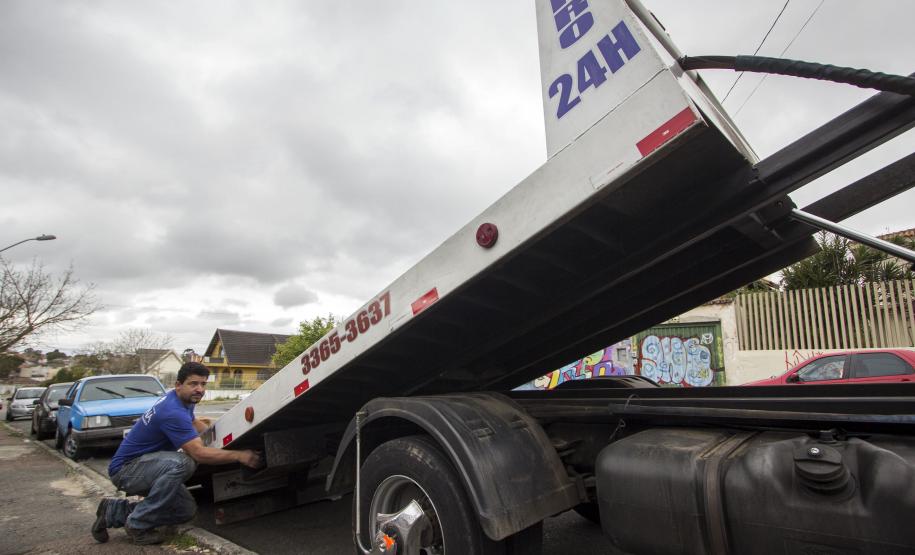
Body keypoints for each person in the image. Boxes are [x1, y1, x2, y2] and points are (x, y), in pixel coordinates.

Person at [91, 362, 261, 545]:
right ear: (178, 384)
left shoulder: (182, 400)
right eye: (193, 383)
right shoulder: (172, 411)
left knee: (185, 511)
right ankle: (137, 525)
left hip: (146, 467)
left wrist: (222, 433)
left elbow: (194, 423)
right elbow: (199, 454)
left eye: (203, 384)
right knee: (184, 462)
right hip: (126, 471)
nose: (199, 389)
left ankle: (112, 511)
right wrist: (240, 455)